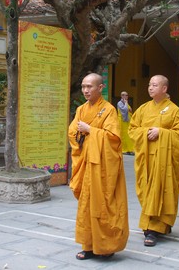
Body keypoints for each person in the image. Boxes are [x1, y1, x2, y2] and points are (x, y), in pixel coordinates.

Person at [68, 73, 128, 260]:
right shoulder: (81, 109)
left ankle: (106, 246)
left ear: (100, 88)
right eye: (83, 86)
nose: (85, 90)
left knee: (103, 205)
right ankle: (88, 245)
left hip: (103, 168)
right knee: (87, 205)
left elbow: (114, 139)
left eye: (90, 86)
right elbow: (72, 132)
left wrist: (91, 131)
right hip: (87, 164)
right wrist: (82, 133)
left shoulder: (109, 110)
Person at [129, 75, 179, 246]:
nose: (150, 88)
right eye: (149, 85)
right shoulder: (143, 109)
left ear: (164, 88)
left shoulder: (175, 111)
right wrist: (146, 132)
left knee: (163, 189)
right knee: (146, 191)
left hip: (164, 162)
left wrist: (162, 132)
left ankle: (152, 229)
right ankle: (160, 225)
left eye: (154, 85)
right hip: (146, 160)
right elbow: (132, 129)